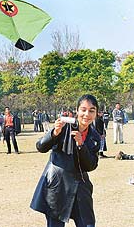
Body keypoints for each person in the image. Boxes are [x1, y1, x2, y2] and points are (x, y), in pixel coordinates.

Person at [30, 94, 101, 227]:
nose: (87, 114)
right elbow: (41, 147)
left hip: (81, 187)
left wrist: (81, 145)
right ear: (77, 111)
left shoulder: (95, 136)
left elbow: (91, 165)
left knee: (88, 224)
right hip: (58, 186)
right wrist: (55, 133)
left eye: (92, 110)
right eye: (83, 109)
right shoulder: (64, 126)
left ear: (96, 113)